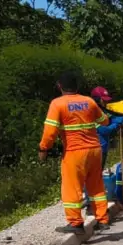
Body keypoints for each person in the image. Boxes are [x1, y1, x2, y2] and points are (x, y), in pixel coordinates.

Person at [39, 71, 111, 233]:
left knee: (71, 187)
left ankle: (75, 223)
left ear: (59, 86)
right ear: (77, 86)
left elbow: (50, 132)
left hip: (75, 152)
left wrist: (43, 148)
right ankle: (103, 219)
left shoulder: (57, 104)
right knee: (96, 186)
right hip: (95, 150)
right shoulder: (89, 101)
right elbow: (105, 121)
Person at [83, 86, 123, 215]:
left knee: (96, 176)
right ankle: (89, 204)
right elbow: (104, 129)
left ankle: (93, 203)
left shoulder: (102, 111)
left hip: (101, 148)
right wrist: (118, 124)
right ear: (97, 99)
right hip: (94, 148)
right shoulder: (91, 112)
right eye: (103, 99)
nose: (106, 102)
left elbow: (111, 118)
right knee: (91, 177)